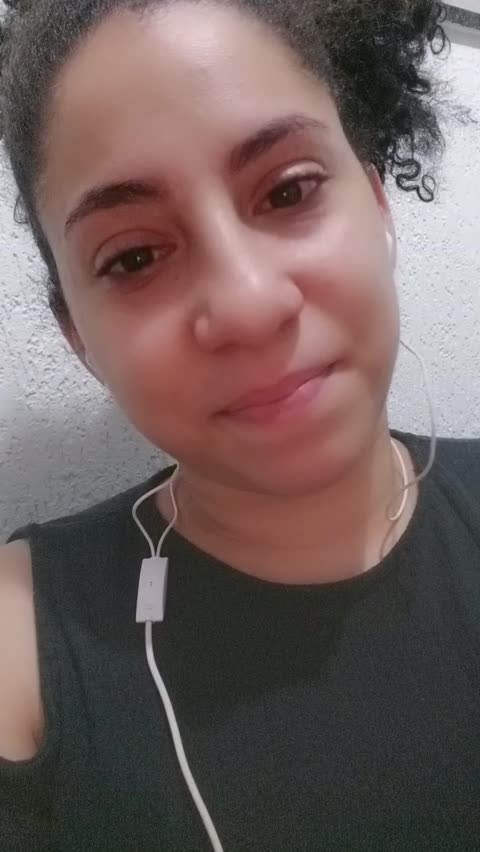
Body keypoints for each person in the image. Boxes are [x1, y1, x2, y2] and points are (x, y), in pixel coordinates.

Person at [1, 0, 479, 849]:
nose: (250, 306)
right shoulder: (21, 648)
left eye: (288, 190)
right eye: (134, 257)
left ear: (378, 205)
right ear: (80, 340)